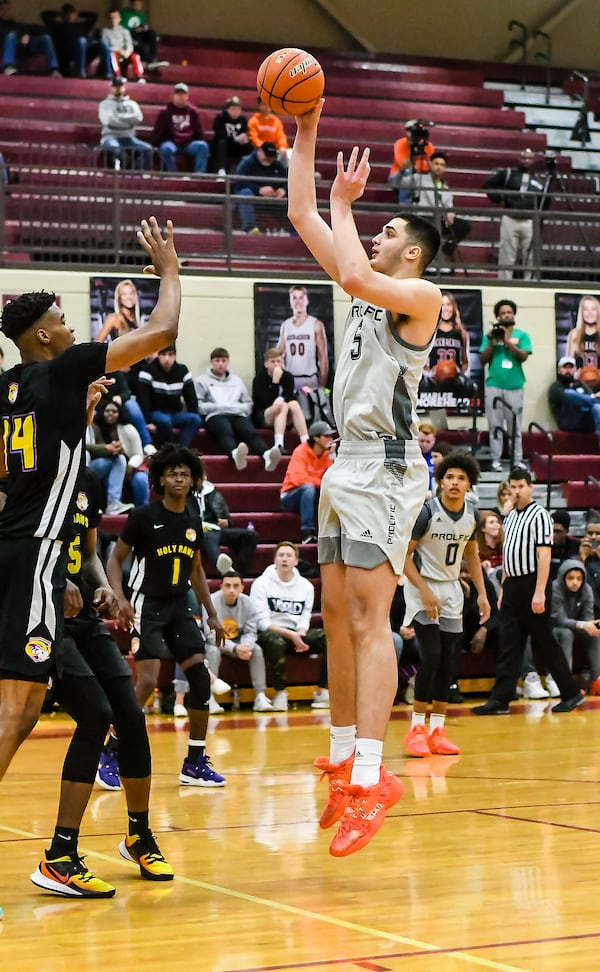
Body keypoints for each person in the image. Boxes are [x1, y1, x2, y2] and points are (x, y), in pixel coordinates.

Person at [0, 215, 180, 919]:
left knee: (90, 709)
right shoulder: (63, 366)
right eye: (64, 319)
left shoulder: (14, 387)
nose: (73, 328)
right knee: (15, 710)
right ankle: (63, 855)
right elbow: (159, 335)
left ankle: (74, 850)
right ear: (44, 334)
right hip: (39, 555)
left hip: (23, 552)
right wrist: (167, 269)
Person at [288, 99, 441, 856]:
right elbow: (298, 211)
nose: (374, 235)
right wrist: (306, 125)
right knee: (339, 623)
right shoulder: (361, 287)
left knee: (371, 621)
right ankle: (347, 755)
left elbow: (349, 264)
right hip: (343, 466)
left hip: (385, 468)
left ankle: (377, 774)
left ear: (412, 254)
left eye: (389, 232)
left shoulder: (419, 298)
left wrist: (347, 209)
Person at [31, 467, 172, 898]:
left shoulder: (87, 480)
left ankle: (138, 836)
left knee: (130, 715)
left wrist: (107, 588)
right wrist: (57, 586)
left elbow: (89, 554)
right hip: (42, 615)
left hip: (85, 620)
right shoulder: (32, 471)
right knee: (95, 714)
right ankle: (59, 856)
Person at [106, 443, 227, 787]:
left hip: (179, 606)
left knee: (200, 679)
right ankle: (111, 750)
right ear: (160, 479)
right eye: (172, 472)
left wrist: (212, 614)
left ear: (194, 480)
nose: (178, 477)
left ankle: (194, 762)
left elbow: (197, 571)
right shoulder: (144, 517)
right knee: (147, 679)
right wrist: (120, 597)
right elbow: (115, 559)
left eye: (184, 473)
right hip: (147, 605)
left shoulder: (193, 520)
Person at [472, 467, 584, 715]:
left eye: (521, 486)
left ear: (530, 487)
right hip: (511, 585)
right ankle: (500, 700)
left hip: (533, 583)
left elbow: (544, 555)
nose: (517, 491)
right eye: (513, 486)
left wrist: (540, 591)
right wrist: (503, 589)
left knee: (544, 640)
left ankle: (571, 693)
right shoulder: (510, 516)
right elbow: (509, 555)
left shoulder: (540, 515)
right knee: (509, 642)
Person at [403, 453, 489, 757]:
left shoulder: (472, 515)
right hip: (422, 588)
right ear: (441, 481)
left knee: (450, 662)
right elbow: (404, 556)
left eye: (461, 478)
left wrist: (481, 593)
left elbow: (472, 555)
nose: (454, 482)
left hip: (452, 591)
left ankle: (437, 730)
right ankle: (416, 729)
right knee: (433, 656)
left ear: (469, 484)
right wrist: (424, 590)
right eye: (449, 477)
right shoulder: (426, 512)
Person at [250, 541, 327, 712]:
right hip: (268, 633)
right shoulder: (261, 584)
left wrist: (300, 633)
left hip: (295, 633)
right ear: (275, 560)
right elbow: (262, 623)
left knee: (330, 638)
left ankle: (323, 690)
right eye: (281, 555)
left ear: (296, 561)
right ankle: (280, 692)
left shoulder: (306, 586)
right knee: (276, 642)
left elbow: (305, 616)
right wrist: (291, 636)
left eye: (289, 555)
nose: (285, 559)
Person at [195, 347, 281, 472]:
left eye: (223, 360)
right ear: (211, 362)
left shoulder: (237, 381)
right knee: (225, 430)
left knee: (249, 431)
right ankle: (235, 454)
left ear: (228, 362)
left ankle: (267, 455)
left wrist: (237, 408)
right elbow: (199, 405)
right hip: (215, 415)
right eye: (217, 360)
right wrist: (219, 407)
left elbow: (248, 403)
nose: (220, 364)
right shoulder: (201, 381)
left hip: (238, 413)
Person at [203, 570, 273, 712]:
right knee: (212, 651)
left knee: (257, 650)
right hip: (216, 643)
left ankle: (260, 696)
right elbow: (211, 635)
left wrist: (245, 646)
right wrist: (235, 648)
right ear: (221, 586)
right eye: (227, 586)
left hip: (240, 641)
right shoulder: (210, 602)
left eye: (236, 586)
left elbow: (251, 631)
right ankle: (209, 698)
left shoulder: (248, 603)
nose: (231, 590)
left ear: (242, 588)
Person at [479, 299, 531, 472]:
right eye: (503, 313)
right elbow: (482, 360)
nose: (507, 315)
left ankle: (517, 460)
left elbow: (523, 356)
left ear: (513, 314)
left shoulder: (521, 335)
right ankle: (496, 461)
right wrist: (493, 343)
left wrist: (508, 342)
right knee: (495, 425)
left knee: (515, 426)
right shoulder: (490, 336)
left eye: (509, 312)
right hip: (494, 384)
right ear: (498, 317)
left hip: (515, 385)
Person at [482, 148, 544, 280]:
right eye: (523, 157)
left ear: (534, 161)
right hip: (510, 218)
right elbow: (487, 185)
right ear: (518, 159)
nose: (526, 160)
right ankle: (504, 282)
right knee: (507, 255)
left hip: (530, 221)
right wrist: (500, 199)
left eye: (529, 158)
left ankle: (530, 284)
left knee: (531, 256)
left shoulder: (539, 181)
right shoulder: (508, 174)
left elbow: (545, 201)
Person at [194, 459, 259, 577]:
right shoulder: (182, 494)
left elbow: (227, 518)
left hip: (216, 529)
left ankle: (238, 576)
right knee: (208, 534)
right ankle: (224, 566)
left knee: (251, 536)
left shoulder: (214, 493)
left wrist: (227, 522)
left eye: (200, 477)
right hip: (195, 533)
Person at [280, 420, 336, 543]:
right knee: (308, 488)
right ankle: (307, 532)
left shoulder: (328, 454)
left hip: (314, 493)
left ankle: (332, 533)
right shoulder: (300, 451)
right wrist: (322, 483)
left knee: (334, 490)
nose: (331, 439)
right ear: (316, 438)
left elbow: (334, 477)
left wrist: (333, 456)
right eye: (326, 436)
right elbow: (299, 479)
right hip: (290, 496)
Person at [87, 398, 149, 509]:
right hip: (105, 465)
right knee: (118, 461)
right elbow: (91, 449)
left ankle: (142, 511)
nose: (110, 413)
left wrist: (130, 465)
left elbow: (138, 454)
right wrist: (110, 449)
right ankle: (113, 505)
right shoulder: (96, 427)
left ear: (119, 414)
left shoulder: (128, 429)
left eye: (114, 411)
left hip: (130, 467)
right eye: (107, 411)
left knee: (141, 480)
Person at [136, 343, 201, 448]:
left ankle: (182, 448)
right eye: (163, 354)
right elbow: (143, 399)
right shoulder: (147, 370)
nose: (167, 358)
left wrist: (194, 412)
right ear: (159, 355)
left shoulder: (183, 370)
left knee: (195, 419)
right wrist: (147, 421)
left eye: (170, 355)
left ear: (175, 356)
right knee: (164, 421)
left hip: (176, 414)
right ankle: (172, 449)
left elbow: (191, 397)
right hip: (155, 413)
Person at [551, 559, 600, 689]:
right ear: (563, 577)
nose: (575, 582)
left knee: (595, 634)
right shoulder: (555, 588)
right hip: (554, 629)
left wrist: (593, 625)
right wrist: (584, 625)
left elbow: (588, 617)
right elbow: (559, 619)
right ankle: (566, 681)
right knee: (566, 634)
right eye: (571, 578)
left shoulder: (587, 589)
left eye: (579, 579)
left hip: (575, 627)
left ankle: (597, 679)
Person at [415, 152, 471, 260]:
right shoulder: (419, 179)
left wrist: (450, 213)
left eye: (442, 165)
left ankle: (447, 249)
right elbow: (397, 183)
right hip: (423, 216)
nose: (439, 167)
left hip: (439, 218)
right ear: (430, 164)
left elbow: (449, 206)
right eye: (436, 164)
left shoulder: (446, 188)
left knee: (463, 226)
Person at [252, 347, 309, 451]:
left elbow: (290, 396)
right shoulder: (259, 379)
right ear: (266, 364)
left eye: (279, 361)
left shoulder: (288, 376)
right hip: (266, 415)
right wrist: (275, 382)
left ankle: (306, 442)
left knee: (293, 404)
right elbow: (265, 401)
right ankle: (278, 444)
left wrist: (282, 399)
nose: (276, 364)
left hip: (284, 416)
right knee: (281, 405)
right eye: (272, 362)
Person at [276, 285, 330, 391]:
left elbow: (323, 357)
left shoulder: (316, 324)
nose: (298, 301)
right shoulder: (285, 325)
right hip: (290, 380)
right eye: (294, 298)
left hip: (309, 379)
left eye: (301, 298)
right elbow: (278, 354)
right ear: (290, 301)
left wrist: (322, 386)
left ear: (307, 300)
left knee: (307, 407)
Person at [151, 83, 209, 175]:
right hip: (171, 142)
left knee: (202, 146)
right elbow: (158, 131)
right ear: (173, 96)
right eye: (178, 94)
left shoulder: (193, 112)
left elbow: (199, 131)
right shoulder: (165, 112)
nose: (180, 97)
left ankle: (199, 175)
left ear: (187, 96)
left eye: (183, 94)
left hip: (189, 144)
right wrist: (156, 143)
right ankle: (173, 175)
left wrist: (199, 139)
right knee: (166, 148)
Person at [98, 75, 152, 171]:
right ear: (111, 88)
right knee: (115, 149)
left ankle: (136, 175)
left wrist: (118, 118)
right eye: (115, 86)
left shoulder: (132, 104)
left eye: (120, 86)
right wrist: (129, 124)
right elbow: (108, 121)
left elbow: (138, 118)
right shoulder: (104, 104)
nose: (118, 88)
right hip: (110, 137)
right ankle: (119, 175)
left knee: (147, 149)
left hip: (129, 137)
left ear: (124, 87)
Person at [234, 141, 287, 235]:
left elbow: (287, 181)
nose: (268, 159)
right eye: (266, 155)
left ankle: (294, 230)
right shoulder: (247, 162)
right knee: (245, 193)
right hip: (253, 195)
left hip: (273, 198)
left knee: (293, 197)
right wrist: (259, 190)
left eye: (271, 157)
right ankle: (250, 229)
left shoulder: (278, 165)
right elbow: (240, 181)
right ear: (259, 152)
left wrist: (283, 190)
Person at [548, 355, 600, 445]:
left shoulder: (580, 384)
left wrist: (591, 399)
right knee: (570, 394)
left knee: (597, 407)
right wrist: (592, 398)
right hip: (569, 421)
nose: (568, 370)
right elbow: (568, 399)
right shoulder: (555, 387)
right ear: (558, 370)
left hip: (585, 420)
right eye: (565, 367)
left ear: (575, 370)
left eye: (571, 367)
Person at [0, 0, 61, 77]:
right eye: (2, 9)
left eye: (7, 9)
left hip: (24, 45)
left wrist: (26, 35)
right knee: (11, 35)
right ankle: (8, 67)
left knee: (46, 38)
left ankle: (54, 69)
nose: (5, 11)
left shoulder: (15, 24)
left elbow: (27, 29)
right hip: (9, 46)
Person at [41, 3, 96, 78]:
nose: (70, 16)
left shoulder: (81, 26)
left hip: (78, 53)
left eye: (71, 14)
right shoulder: (57, 26)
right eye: (67, 14)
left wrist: (79, 14)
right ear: (63, 15)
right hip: (63, 54)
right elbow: (44, 15)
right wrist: (59, 14)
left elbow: (94, 16)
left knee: (81, 40)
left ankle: (80, 71)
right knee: (64, 74)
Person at [388, 119, 435, 204]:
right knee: (408, 174)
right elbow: (403, 164)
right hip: (398, 175)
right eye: (409, 131)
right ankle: (404, 210)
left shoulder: (428, 146)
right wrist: (412, 150)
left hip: (421, 176)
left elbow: (429, 167)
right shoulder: (400, 143)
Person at [211, 95, 252, 177]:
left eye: (238, 109)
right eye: (233, 109)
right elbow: (220, 135)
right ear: (227, 109)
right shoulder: (220, 118)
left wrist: (245, 137)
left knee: (249, 146)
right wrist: (235, 139)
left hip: (236, 147)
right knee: (222, 143)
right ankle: (221, 170)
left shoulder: (243, 119)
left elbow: (245, 132)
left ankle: (247, 171)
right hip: (223, 146)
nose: (235, 111)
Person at [120, 0, 166, 72]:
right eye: (136, 4)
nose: (138, 6)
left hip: (141, 34)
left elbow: (143, 25)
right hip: (130, 35)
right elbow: (123, 28)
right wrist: (134, 29)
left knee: (152, 34)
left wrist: (144, 28)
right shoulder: (125, 13)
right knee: (138, 41)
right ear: (132, 4)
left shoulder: (141, 14)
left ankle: (154, 58)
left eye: (139, 4)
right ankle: (150, 61)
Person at [100, 7, 144, 82]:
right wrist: (118, 50)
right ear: (108, 19)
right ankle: (117, 75)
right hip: (114, 53)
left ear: (119, 19)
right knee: (112, 55)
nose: (113, 19)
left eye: (115, 17)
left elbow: (129, 43)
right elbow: (104, 46)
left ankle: (139, 76)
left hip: (125, 53)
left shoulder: (125, 31)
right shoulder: (105, 31)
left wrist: (127, 51)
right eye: (111, 17)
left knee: (135, 56)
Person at [95, 278, 143, 343]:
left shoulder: (136, 321)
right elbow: (97, 343)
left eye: (131, 293)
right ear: (119, 298)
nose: (129, 297)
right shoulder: (114, 318)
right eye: (124, 294)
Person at [566, 295, 600, 368]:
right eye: (585, 309)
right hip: (580, 378)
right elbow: (569, 364)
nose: (589, 313)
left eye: (593, 309)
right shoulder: (574, 334)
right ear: (582, 312)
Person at [550, 509, 580, 581]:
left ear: (567, 531)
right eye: (551, 531)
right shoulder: (543, 544)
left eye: (558, 531)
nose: (553, 535)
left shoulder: (576, 546)